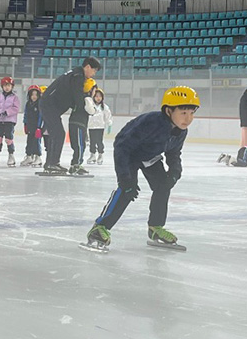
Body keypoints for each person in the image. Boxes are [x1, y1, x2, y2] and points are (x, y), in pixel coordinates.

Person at [83, 86, 199, 253]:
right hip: (129, 154)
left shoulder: (181, 131)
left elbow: (174, 153)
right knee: (127, 190)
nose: (188, 119)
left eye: (191, 113)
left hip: (150, 157)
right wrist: (125, 177)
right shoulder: (152, 122)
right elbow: (122, 146)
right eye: (183, 113)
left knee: (163, 185)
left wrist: (174, 172)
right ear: (168, 111)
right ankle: (99, 228)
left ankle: (155, 227)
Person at [40, 57, 100, 173]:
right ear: (87, 67)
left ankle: (50, 163)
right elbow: (77, 97)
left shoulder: (74, 74)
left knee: (56, 133)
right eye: (94, 71)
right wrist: (87, 102)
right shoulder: (78, 76)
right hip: (49, 105)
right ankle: (53, 163)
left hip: (50, 105)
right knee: (59, 133)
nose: (93, 74)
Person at [67, 78, 98, 175]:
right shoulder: (87, 99)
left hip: (74, 123)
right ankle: (76, 165)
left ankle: (74, 164)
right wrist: (94, 109)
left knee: (77, 145)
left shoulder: (78, 97)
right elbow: (91, 110)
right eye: (94, 90)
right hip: (79, 124)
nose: (95, 93)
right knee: (80, 146)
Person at [0, 76, 21, 167]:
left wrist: (7, 113)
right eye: (5, 85)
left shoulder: (15, 97)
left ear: (12, 86)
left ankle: (11, 156)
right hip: (0, 121)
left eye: (9, 85)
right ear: (2, 86)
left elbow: (16, 108)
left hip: (9, 121)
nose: (7, 87)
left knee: (8, 139)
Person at [87, 88, 112, 165]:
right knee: (92, 142)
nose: (98, 98)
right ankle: (92, 155)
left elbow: (108, 116)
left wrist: (109, 124)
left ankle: (100, 155)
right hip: (91, 127)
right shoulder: (91, 106)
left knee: (99, 141)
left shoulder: (104, 107)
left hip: (100, 127)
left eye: (100, 96)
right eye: (96, 96)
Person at [21, 85, 44, 167]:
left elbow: (41, 116)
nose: (34, 97)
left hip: (37, 127)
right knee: (29, 141)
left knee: (36, 142)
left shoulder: (39, 104)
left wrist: (39, 127)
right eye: (32, 94)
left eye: (35, 95)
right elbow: (26, 114)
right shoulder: (28, 104)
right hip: (30, 126)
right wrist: (25, 124)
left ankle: (38, 157)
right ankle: (29, 156)